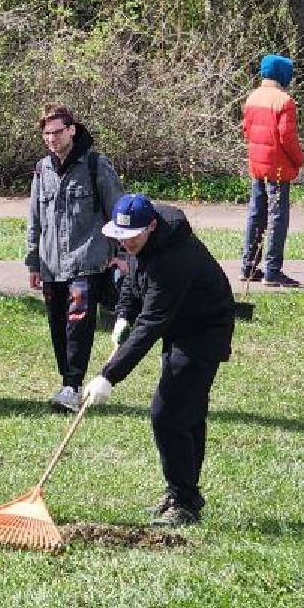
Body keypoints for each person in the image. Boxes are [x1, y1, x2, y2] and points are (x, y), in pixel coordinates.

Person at [83, 193, 235, 528]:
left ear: (152, 226)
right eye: (121, 237)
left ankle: (184, 502)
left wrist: (109, 375)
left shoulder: (174, 259)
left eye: (132, 236)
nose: (127, 242)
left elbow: (152, 324)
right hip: (180, 325)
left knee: (168, 414)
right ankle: (184, 496)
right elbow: (134, 280)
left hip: (203, 330)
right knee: (187, 413)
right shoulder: (142, 241)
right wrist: (124, 314)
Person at [24, 104, 125, 411]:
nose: (52, 139)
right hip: (51, 262)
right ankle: (66, 381)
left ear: (71, 130)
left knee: (78, 323)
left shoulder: (96, 165)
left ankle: (72, 385)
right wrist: (33, 261)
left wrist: (121, 255)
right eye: (46, 134)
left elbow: (118, 211)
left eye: (57, 132)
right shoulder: (42, 169)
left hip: (87, 260)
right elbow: (35, 218)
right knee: (57, 325)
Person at [240, 53, 304, 287]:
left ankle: (248, 265)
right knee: (278, 216)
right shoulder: (284, 101)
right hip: (277, 167)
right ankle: (273, 270)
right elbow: (287, 138)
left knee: (256, 213)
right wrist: (299, 160)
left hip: (257, 164)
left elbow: (246, 131)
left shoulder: (252, 98)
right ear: (282, 74)